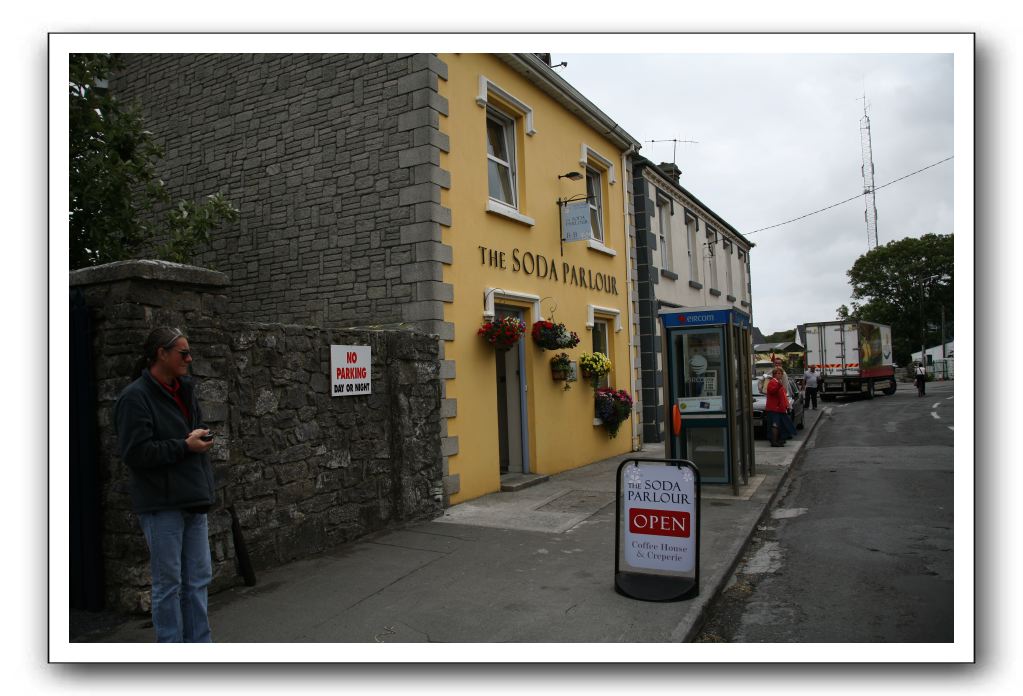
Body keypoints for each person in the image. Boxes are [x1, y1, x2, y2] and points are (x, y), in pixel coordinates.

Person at [114, 327, 216, 642]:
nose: (189, 358)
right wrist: (185, 446)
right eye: (182, 353)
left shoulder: (184, 389)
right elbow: (136, 453)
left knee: (197, 580)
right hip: (162, 505)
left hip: (193, 498)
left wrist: (197, 442)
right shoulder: (135, 397)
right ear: (161, 353)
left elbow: (190, 438)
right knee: (168, 585)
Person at [766, 366, 796, 447]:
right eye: (778, 373)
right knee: (775, 425)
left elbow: (783, 396)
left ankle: (779, 440)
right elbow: (772, 391)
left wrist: (786, 405)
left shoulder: (778, 382)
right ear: (774, 374)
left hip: (779, 408)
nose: (780, 375)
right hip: (774, 408)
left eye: (781, 373)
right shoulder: (773, 382)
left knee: (782, 425)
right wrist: (779, 385)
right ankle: (774, 442)